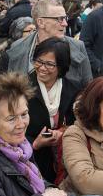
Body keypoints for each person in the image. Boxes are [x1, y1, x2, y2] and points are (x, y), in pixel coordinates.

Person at [0, 0, 93, 88]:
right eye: (59, 19)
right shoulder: (17, 47)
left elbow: (88, 88)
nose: (65, 23)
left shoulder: (78, 46)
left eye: (65, 18)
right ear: (40, 22)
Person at [25, 38, 79, 183]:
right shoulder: (22, 88)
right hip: (30, 163)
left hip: (62, 160)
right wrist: (35, 144)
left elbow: (78, 123)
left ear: (61, 67)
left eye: (49, 64)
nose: (42, 68)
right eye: (38, 61)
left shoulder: (73, 89)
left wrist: (62, 132)